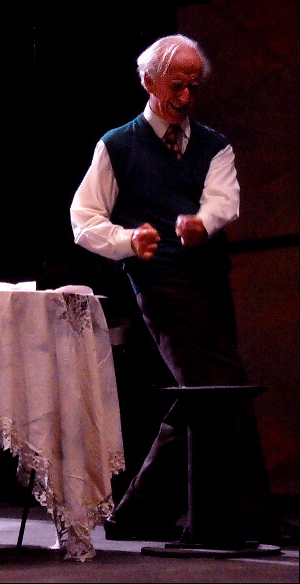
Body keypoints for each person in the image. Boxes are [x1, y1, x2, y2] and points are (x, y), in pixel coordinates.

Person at [69, 34, 273, 543]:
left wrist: (202, 223)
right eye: (176, 85)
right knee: (218, 388)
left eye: (193, 87)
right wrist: (126, 240)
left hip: (209, 279)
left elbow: (223, 199)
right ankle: (245, 513)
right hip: (160, 280)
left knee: (212, 393)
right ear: (149, 81)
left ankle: (141, 513)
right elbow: (84, 219)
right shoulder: (118, 145)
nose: (185, 97)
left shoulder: (213, 144)